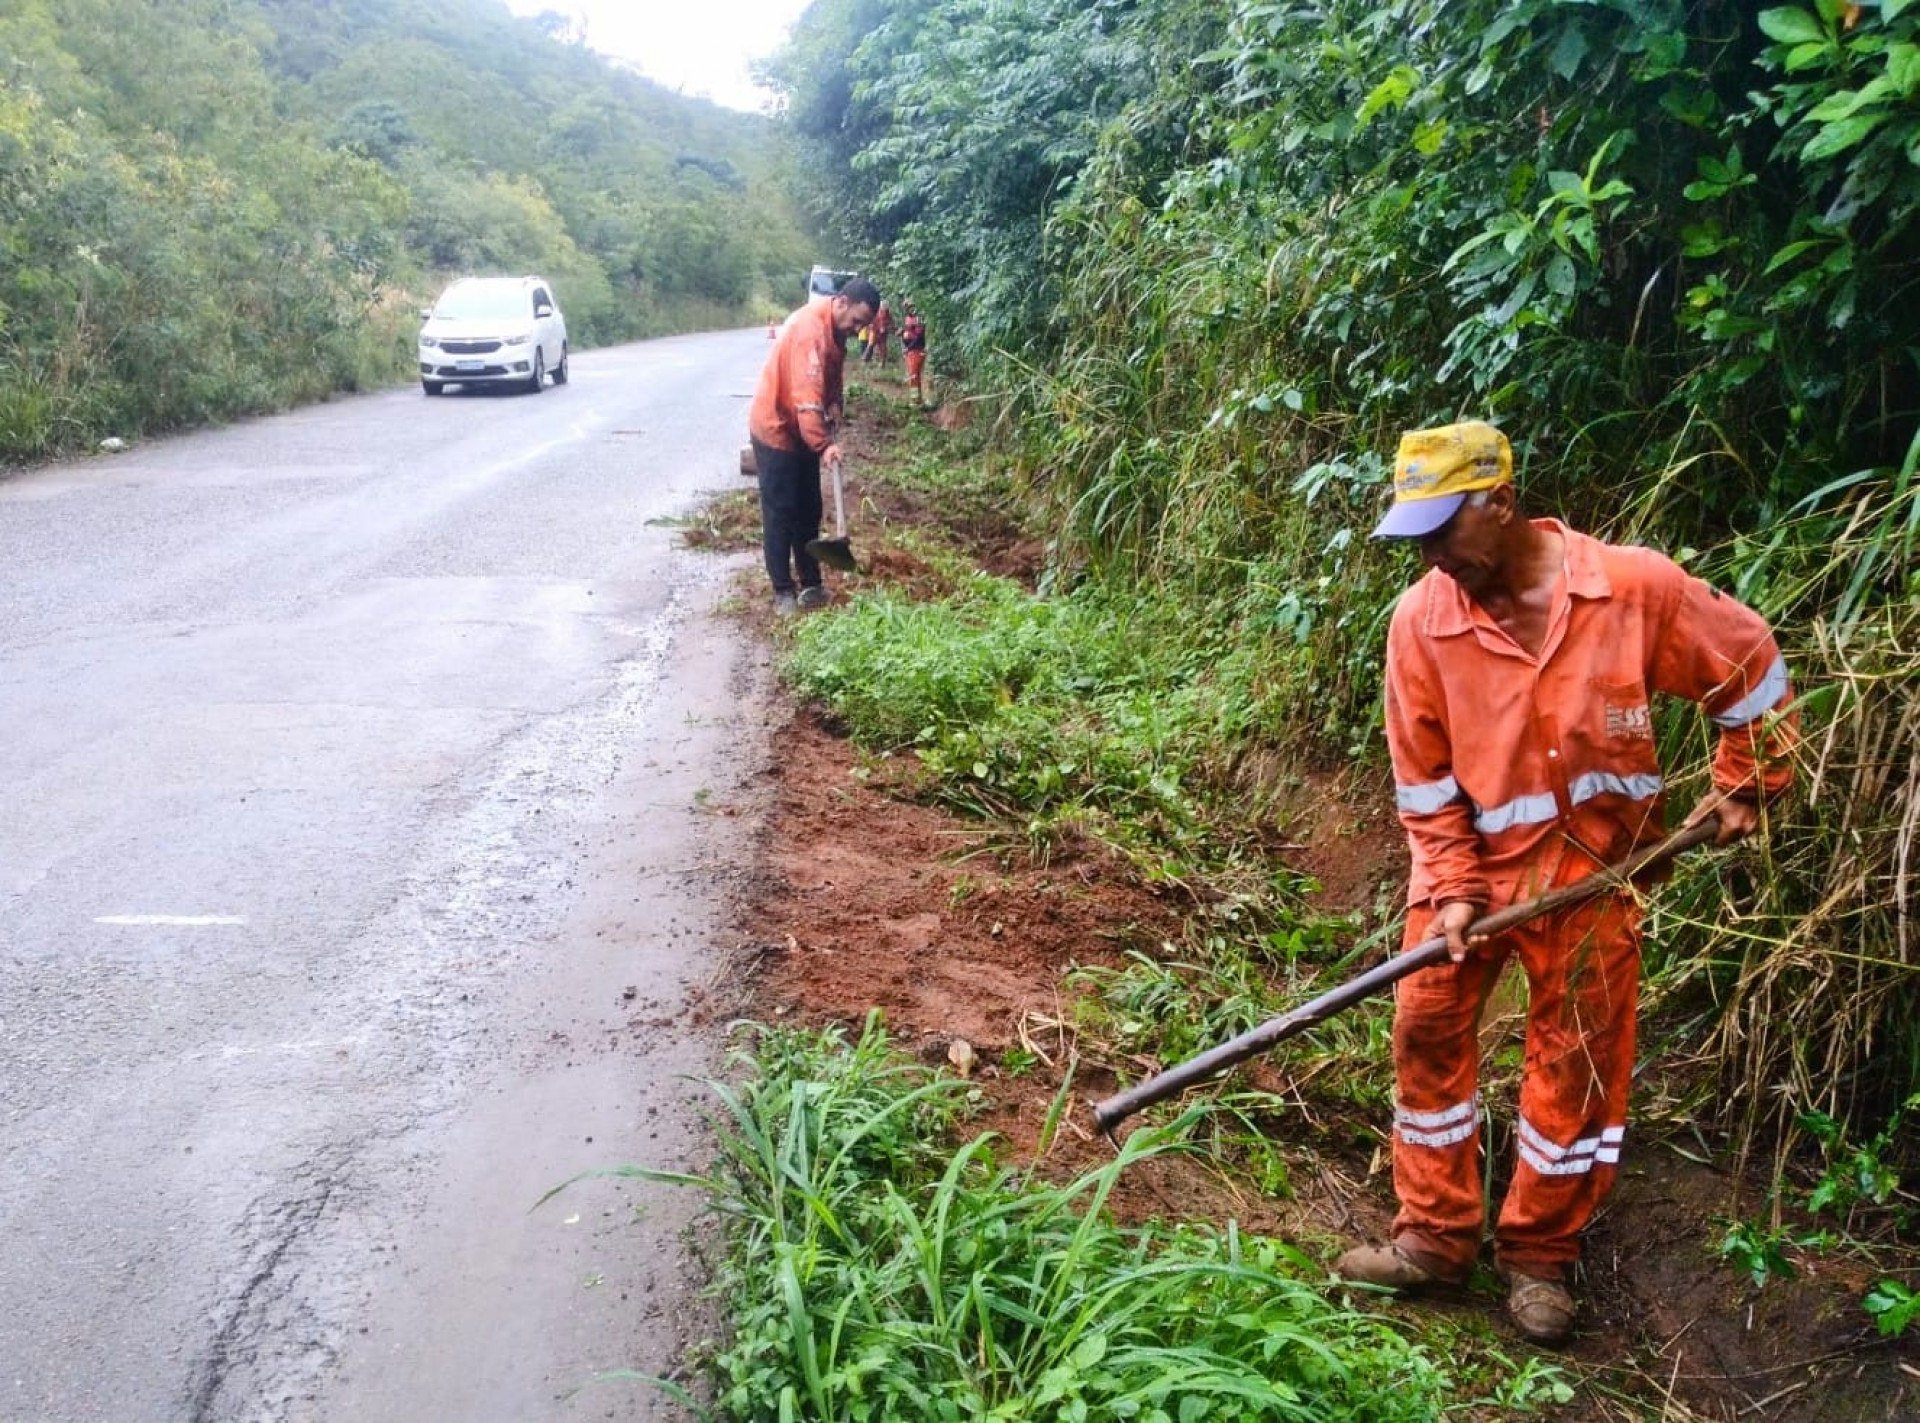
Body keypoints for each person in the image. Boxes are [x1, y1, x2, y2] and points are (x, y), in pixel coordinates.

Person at [1335, 420, 1795, 1345]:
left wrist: (1748, 782)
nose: (1428, 554)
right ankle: (1432, 1234)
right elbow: (1424, 786)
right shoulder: (1419, 622)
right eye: (1414, 535)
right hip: (1466, 871)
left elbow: (1749, 667)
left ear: (1500, 502)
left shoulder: (1632, 590)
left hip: (1596, 872)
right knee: (1426, 1025)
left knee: (1577, 1057)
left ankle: (1541, 1254)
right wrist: (1455, 888)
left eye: (1440, 529)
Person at [747, 276, 880, 614]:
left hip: (802, 430)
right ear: (841, 302)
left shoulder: (834, 328)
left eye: (863, 325)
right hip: (776, 427)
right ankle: (783, 592)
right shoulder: (811, 332)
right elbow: (806, 400)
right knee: (781, 511)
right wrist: (823, 446)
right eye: (856, 321)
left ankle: (811, 585)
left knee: (808, 508)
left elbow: (830, 378)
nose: (857, 328)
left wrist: (835, 402)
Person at [900, 302, 927, 403]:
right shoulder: (907, 318)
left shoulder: (918, 319)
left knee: (914, 375)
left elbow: (918, 337)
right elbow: (908, 333)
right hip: (910, 351)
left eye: (912, 307)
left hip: (916, 350)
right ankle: (917, 399)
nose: (910, 309)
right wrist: (902, 333)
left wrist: (908, 348)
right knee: (913, 375)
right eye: (907, 308)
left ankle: (915, 400)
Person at [865, 299, 892, 365]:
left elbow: (890, 322)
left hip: (883, 334)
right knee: (871, 344)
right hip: (875, 331)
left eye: (886, 307)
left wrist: (887, 327)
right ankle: (866, 359)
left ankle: (882, 363)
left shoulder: (888, 314)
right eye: (884, 307)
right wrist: (871, 325)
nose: (885, 309)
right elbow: (871, 320)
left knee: (883, 348)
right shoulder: (876, 311)